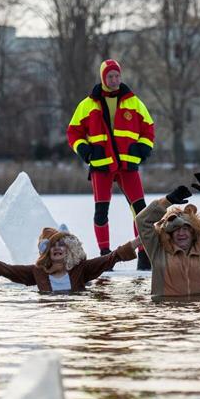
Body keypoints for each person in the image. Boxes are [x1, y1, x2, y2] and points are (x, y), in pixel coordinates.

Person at [67, 59, 155, 270]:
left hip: (128, 165)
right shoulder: (87, 104)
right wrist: (85, 150)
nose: (114, 80)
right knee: (101, 212)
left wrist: (142, 148)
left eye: (117, 76)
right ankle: (105, 257)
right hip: (101, 165)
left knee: (141, 211)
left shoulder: (134, 102)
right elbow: (73, 132)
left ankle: (144, 255)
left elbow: (148, 128)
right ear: (103, 78)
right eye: (110, 76)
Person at [0, 225, 139, 293]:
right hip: (48, 318)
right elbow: (6, 269)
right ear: (47, 252)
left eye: (61, 244)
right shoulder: (37, 273)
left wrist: (138, 241)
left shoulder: (81, 269)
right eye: (52, 246)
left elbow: (112, 257)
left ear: (68, 249)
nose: (57, 248)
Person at [136, 172, 200, 297]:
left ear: (193, 231)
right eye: (176, 229)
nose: (181, 233)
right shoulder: (158, 249)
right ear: (170, 233)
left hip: (199, 307)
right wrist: (167, 201)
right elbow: (142, 221)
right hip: (163, 307)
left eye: (186, 228)